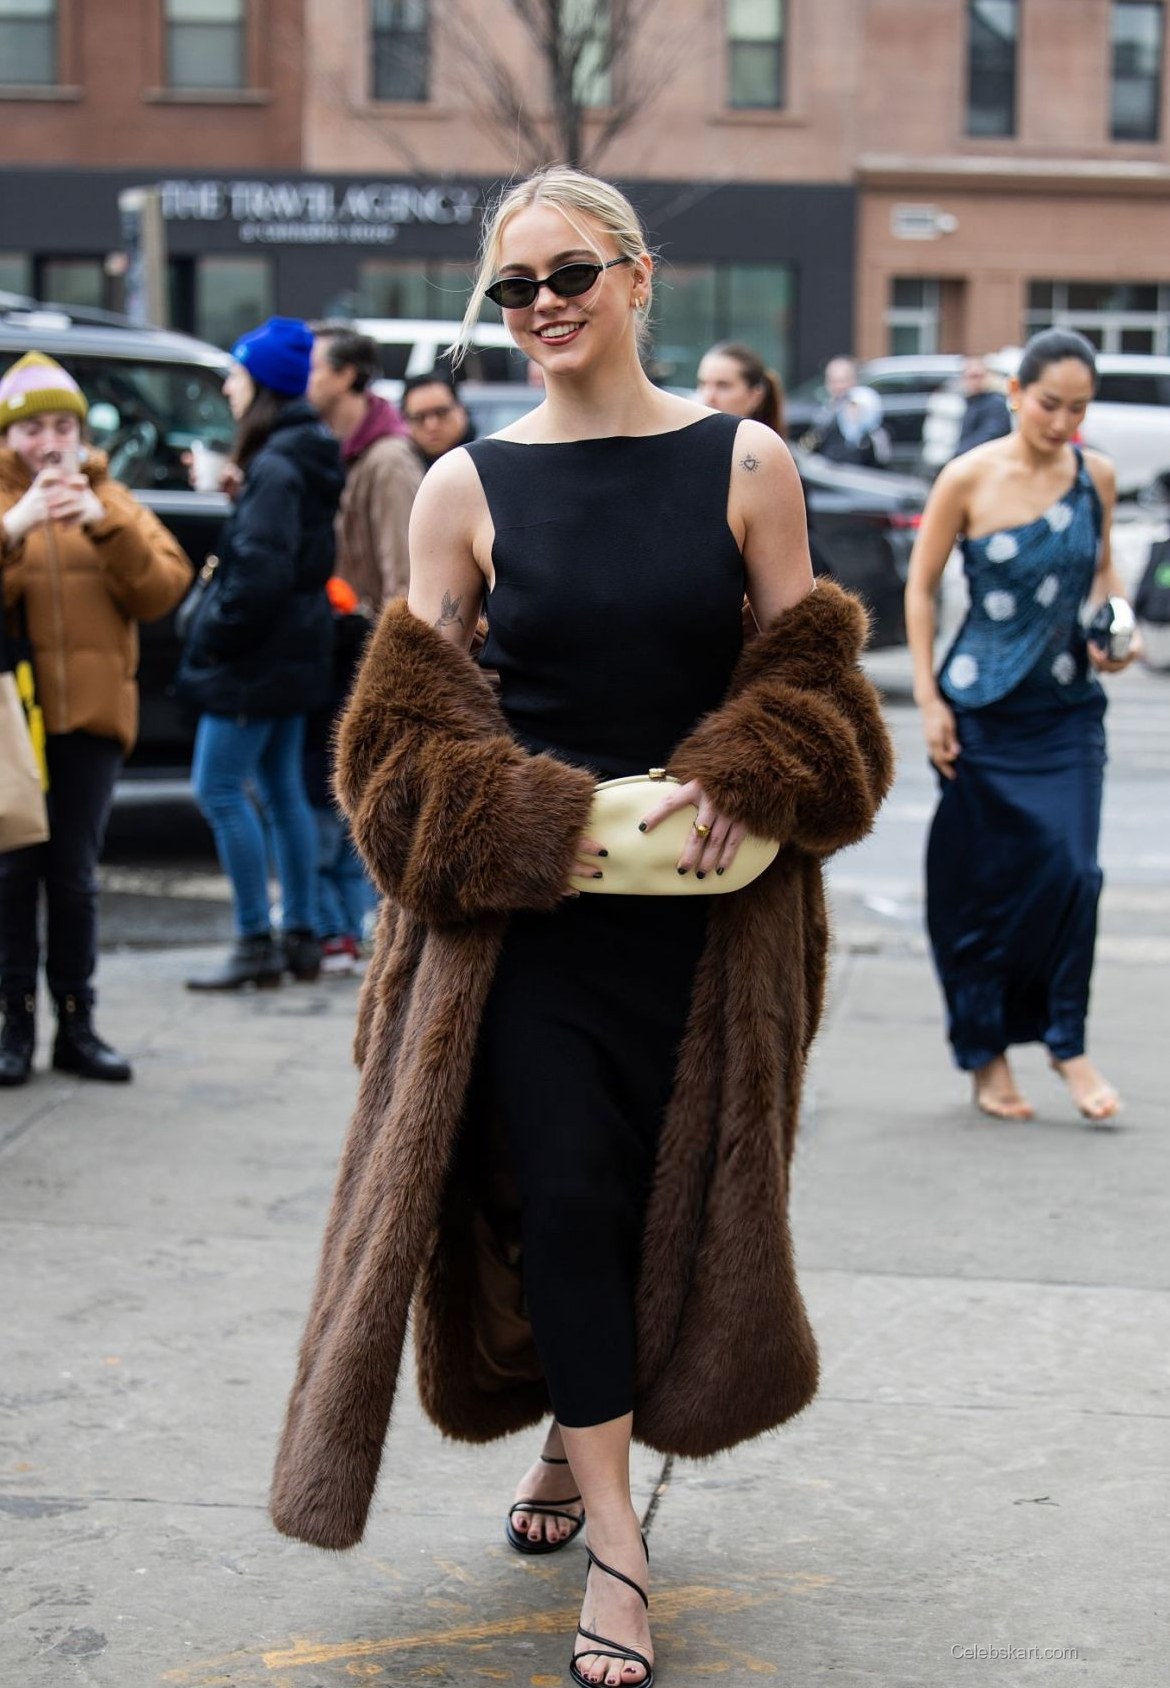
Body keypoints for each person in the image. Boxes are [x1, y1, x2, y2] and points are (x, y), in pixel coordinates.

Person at [269, 167, 893, 1688]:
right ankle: (619, 1544)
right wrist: (518, 821)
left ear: (634, 275)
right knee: (557, 1194)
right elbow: (400, 737)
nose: (541, 304)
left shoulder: (745, 459)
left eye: (568, 273)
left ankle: (572, 1435)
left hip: (704, 927)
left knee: (648, 1207)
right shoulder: (465, 486)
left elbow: (815, 684)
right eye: (514, 287)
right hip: (530, 923)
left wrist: (753, 766)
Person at [905, 328, 1140, 1125]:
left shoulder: (1095, 474)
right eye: (1049, 404)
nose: (1063, 423)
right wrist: (930, 700)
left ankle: (1066, 1042)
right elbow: (921, 589)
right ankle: (987, 1056)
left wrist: (1118, 631)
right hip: (981, 713)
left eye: (1079, 409)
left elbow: (1103, 573)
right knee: (985, 894)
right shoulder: (968, 476)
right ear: (1014, 393)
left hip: (1068, 710)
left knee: (1074, 875)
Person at [0, 352, 192, 1085]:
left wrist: (102, 522)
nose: (49, 443)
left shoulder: (112, 498)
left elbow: (164, 588)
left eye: (63, 427)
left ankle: (77, 1025)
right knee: (12, 874)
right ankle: (14, 1025)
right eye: (32, 429)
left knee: (75, 878)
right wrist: (14, 527)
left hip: (91, 718)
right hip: (11, 724)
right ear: (9, 437)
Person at [177, 317, 344, 992]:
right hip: (294, 648)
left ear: (264, 384)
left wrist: (214, 639)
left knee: (218, 788)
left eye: (237, 375)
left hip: (256, 657)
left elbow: (260, 577)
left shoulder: (276, 464)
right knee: (279, 791)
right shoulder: (300, 450)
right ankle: (300, 937)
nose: (228, 387)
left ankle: (254, 940)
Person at [307, 323, 423, 613]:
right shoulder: (332, 449)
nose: (301, 378)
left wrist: (390, 640)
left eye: (311, 369)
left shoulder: (389, 460)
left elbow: (405, 581)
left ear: (345, 375)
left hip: (371, 635)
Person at [801, 354, 891, 467]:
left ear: (854, 380)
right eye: (832, 381)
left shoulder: (867, 407)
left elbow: (880, 454)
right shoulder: (824, 413)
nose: (837, 386)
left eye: (842, 380)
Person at [696, 340, 786, 436]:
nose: (709, 396)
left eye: (723, 386)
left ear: (755, 397)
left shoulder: (766, 443)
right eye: (703, 384)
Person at [400, 368, 475, 466]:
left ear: (461, 409)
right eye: (419, 417)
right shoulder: (400, 464)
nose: (432, 426)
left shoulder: (486, 456)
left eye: (441, 413)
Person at [953, 355, 1012, 457]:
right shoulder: (970, 402)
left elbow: (990, 436)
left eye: (977, 376)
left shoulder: (996, 403)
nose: (974, 382)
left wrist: (960, 454)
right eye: (970, 377)